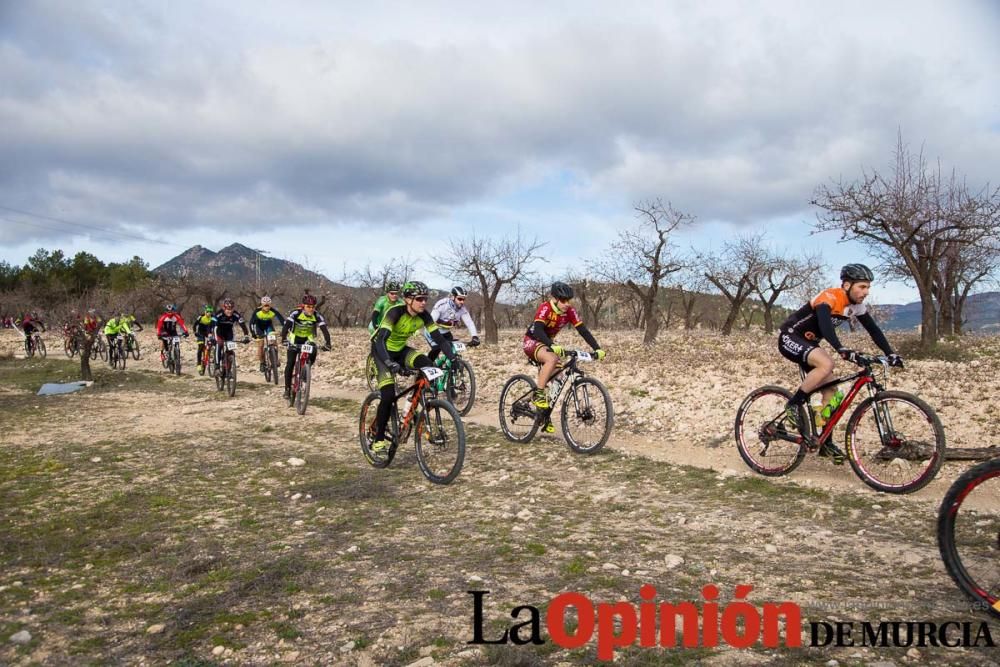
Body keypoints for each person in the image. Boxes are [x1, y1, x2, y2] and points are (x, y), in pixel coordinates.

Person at [778, 263, 903, 464]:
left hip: (809, 344)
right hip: (791, 336)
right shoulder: (829, 297)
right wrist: (841, 349)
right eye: (862, 287)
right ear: (846, 285)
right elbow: (826, 327)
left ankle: (824, 441)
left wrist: (891, 354)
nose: (866, 292)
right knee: (827, 364)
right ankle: (793, 404)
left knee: (833, 394)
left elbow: (874, 330)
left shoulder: (856, 307)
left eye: (868, 287)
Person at [369, 281, 457, 454]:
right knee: (388, 395)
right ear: (408, 300)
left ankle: (412, 401)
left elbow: (439, 339)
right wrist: (389, 363)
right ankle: (378, 438)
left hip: (401, 350)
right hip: (382, 353)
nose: (424, 302)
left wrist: (453, 359)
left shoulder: (424, 316)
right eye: (419, 299)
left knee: (427, 364)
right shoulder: (395, 312)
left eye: (425, 299)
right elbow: (380, 340)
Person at [523, 282, 606, 433]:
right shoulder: (545, 308)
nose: (567, 304)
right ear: (554, 298)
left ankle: (544, 415)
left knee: (559, 377)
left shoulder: (569, 311)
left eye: (569, 300)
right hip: (532, 341)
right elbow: (539, 330)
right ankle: (538, 394)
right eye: (563, 300)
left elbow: (583, 330)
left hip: (547, 344)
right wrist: (552, 345)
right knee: (553, 359)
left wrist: (597, 349)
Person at [280, 294, 332, 399]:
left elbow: (324, 329)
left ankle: (305, 371)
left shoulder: (317, 315)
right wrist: (284, 339)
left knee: (314, 350)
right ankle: (287, 389)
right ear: (303, 306)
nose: (311, 309)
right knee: (290, 363)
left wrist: (328, 343)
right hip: (295, 338)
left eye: (313, 306)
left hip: (308, 338)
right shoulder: (296, 313)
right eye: (308, 306)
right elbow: (286, 326)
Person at [422, 286, 481, 362]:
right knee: (437, 349)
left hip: (445, 332)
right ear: (453, 297)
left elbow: (469, 323)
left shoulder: (462, 309)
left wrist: (475, 336)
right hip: (432, 332)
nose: (462, 302)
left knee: (452, 351)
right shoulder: (442, 305)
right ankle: (428, 364)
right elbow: (430, 322)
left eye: (463, 299)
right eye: (460, 299)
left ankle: (450, 367)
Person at [249, 296, 285, 372]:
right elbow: (251, 323)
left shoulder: (273, 311)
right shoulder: (257, 311)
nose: (267, 307)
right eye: (265, 305)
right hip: (259, 328)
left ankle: (275, 359)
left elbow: (281, 319)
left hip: (268, 326)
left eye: (268, 305)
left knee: (274, 340)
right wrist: (253, 333)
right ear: (262, 305)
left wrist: (284, 329)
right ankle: (262, 363)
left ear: (270, 305)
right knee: (261, 345)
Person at [212, 299, 250, 369]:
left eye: (231, 309)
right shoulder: (219, 314)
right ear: (224, 308)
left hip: (229, 332)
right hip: (219, 331)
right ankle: (217, 366)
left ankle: (228, 367)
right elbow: (213, 325)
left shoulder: (236, 314)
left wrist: (246, 336)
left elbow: (243, 326)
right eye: (228, 309)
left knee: (230, 348)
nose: (230, 311)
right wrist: (211, 336)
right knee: (219, 345)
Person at [193, 305, 216, 372]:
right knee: (200, 346)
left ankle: (211, 356)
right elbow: (195, 325)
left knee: (213, 344)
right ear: (205, 311)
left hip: (209, 333)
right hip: (200, 333)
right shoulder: (201, 317)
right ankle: (199, 364)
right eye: (207, 311)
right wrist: (195, 332)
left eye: (210, 312)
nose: (209, 313)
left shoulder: (213, 318)